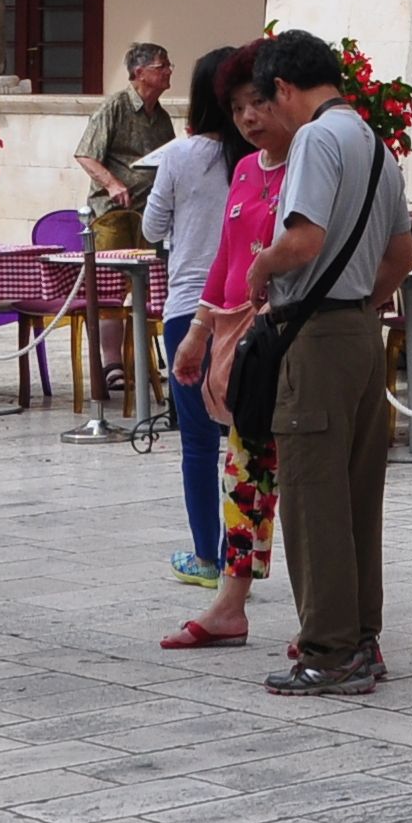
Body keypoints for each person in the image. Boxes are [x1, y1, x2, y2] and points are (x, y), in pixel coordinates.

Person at [236, 28, 412, 699]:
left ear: (284, 87)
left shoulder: (315, 138)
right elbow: (398, 256)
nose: (265, 118)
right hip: (364, 333)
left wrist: (261, 265)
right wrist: (357, 301)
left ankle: (330, 652)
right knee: (357, 494)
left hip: (316, 334)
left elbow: (303, 239)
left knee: (312, 496)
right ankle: (362, 638)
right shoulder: (375, 145)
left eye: (266, 101)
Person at [163, 50, 291, 653]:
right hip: (246, 348)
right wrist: (198, 330)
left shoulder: (310, 166)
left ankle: (334, 616)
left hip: (294, 337)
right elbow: (225, 259)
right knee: (244, 472)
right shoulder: (245, 171)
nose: (246, 117)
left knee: (311, 479)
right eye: (236, 107)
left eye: (257, 104)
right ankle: (230, 606)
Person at [137, 46, 243, 592]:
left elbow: (153, 229)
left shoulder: (180, 157)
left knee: (199, 443)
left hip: (190, 309)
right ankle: (244, 556)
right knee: (247, 442)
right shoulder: (263, 157)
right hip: (249, 308)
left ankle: (209, 556)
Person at [74, 45, 175, 250]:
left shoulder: (162, 117)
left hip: (148, 215)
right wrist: (112, 184)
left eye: (168, 66)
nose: (169, 71)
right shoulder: (115, 106)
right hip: (113, 214)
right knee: (113, 277)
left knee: (146, 279)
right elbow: (85, 155)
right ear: (140, 73)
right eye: (162, 66)